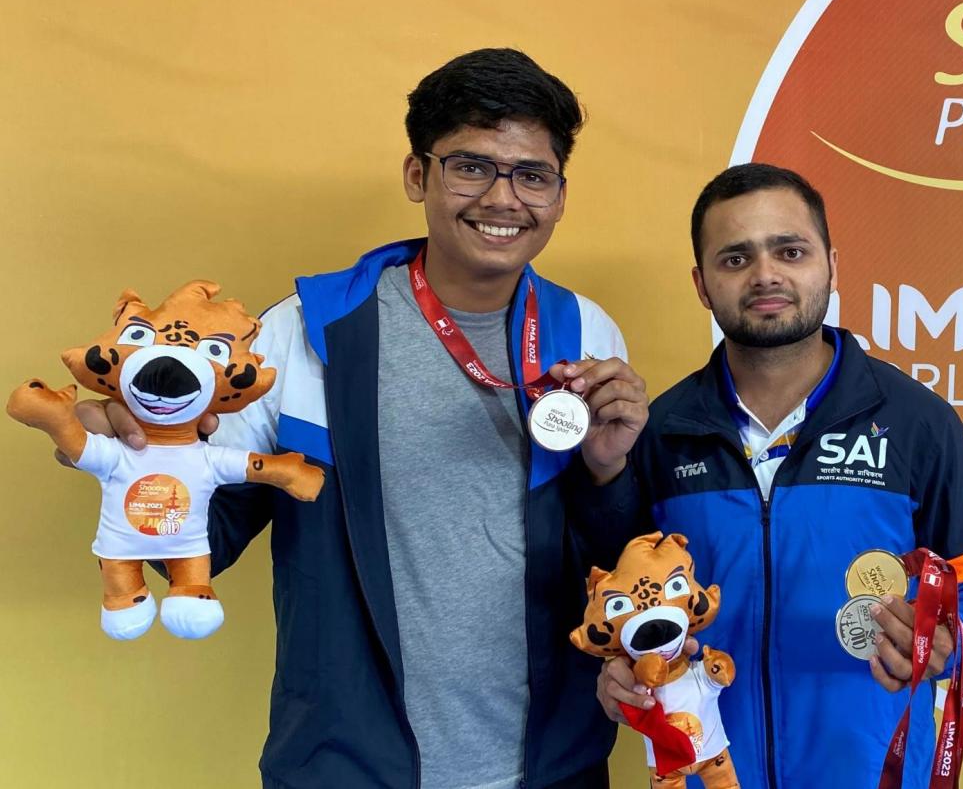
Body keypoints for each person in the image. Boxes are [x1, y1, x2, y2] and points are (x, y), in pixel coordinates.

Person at [67, 48, 650, 789]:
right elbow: (201, 545)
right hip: (346, 768)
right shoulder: (308, 332)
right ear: (417, 175)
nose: (504, 198)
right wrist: (137, 466)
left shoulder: (585, 332)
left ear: (559, 196)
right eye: (472, 165)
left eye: (532, 175)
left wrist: (609, 471)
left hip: (549, 768)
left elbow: (620, 562)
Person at [595, 163, 963, 788]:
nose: (766, 274)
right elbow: (617, 604)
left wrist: (953, 641)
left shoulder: (914, 421)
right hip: (712, 774)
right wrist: (616, 669)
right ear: (701, 283)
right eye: (735, 258)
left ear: (830, 264)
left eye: (790, 251)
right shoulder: (659, 433)